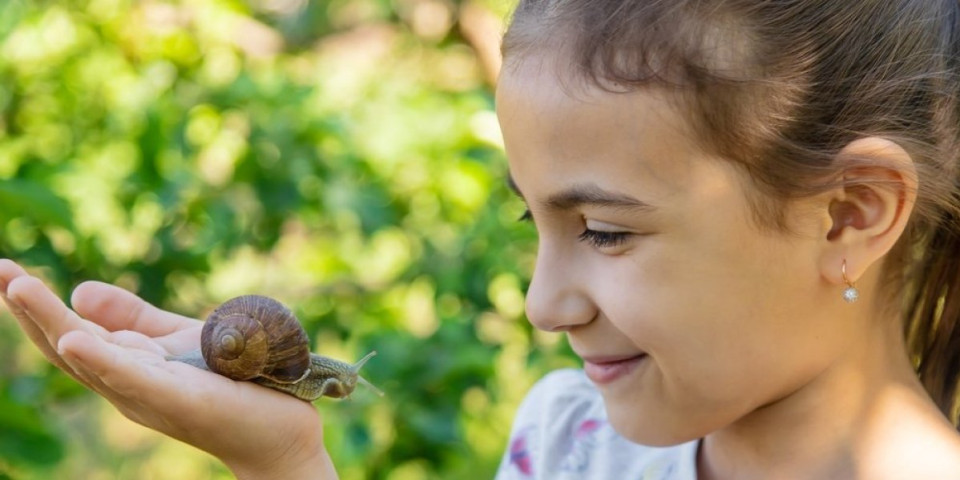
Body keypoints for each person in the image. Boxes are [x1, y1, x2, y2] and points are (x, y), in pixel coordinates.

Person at [4, 0, 960, 478]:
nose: (543, 305)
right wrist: (288, 463)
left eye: (605, 231)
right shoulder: (569, 442)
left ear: (849, 214)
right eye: (531, 219)